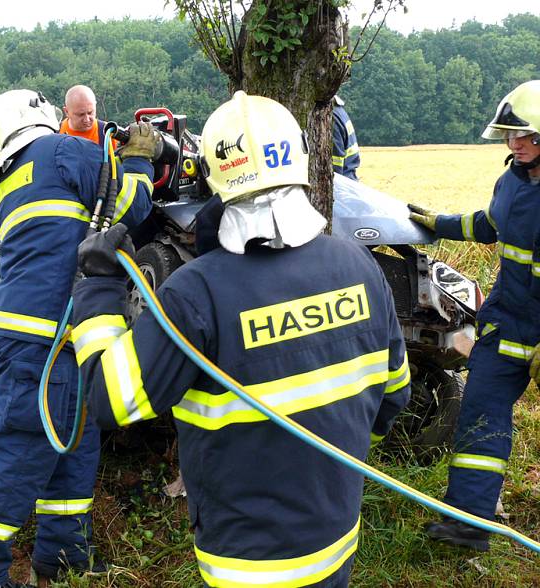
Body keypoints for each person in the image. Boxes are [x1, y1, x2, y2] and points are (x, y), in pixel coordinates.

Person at [70, 91, 411, 588]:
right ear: (298, 158)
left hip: (245, 566)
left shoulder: (195, 293)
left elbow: (108, 401)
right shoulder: (360, 267)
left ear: (215, 174)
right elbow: (391, 399)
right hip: (337, 546)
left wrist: (98, 287)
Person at [0, 88, 159, 588]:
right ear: (42, 114)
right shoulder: (60, 151)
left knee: (74, 442)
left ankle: (63, 555)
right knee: (19, 453)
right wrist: (140, 158)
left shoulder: (11, 175)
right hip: (47, 338)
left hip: (46, 335)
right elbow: (130, 203)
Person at [414, 80, 540, 552]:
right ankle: (469, 523)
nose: (516, 144)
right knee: (480, 418)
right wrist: (437, 223)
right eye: (510, 136)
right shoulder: (510, 181)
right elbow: (489, 225)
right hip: (504, 327)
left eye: (526, 136)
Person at [332, 95, 361, 180]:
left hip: (341, 184)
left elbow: (334, 168)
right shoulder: (339, 111)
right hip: (349, 178)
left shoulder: (330, 117)